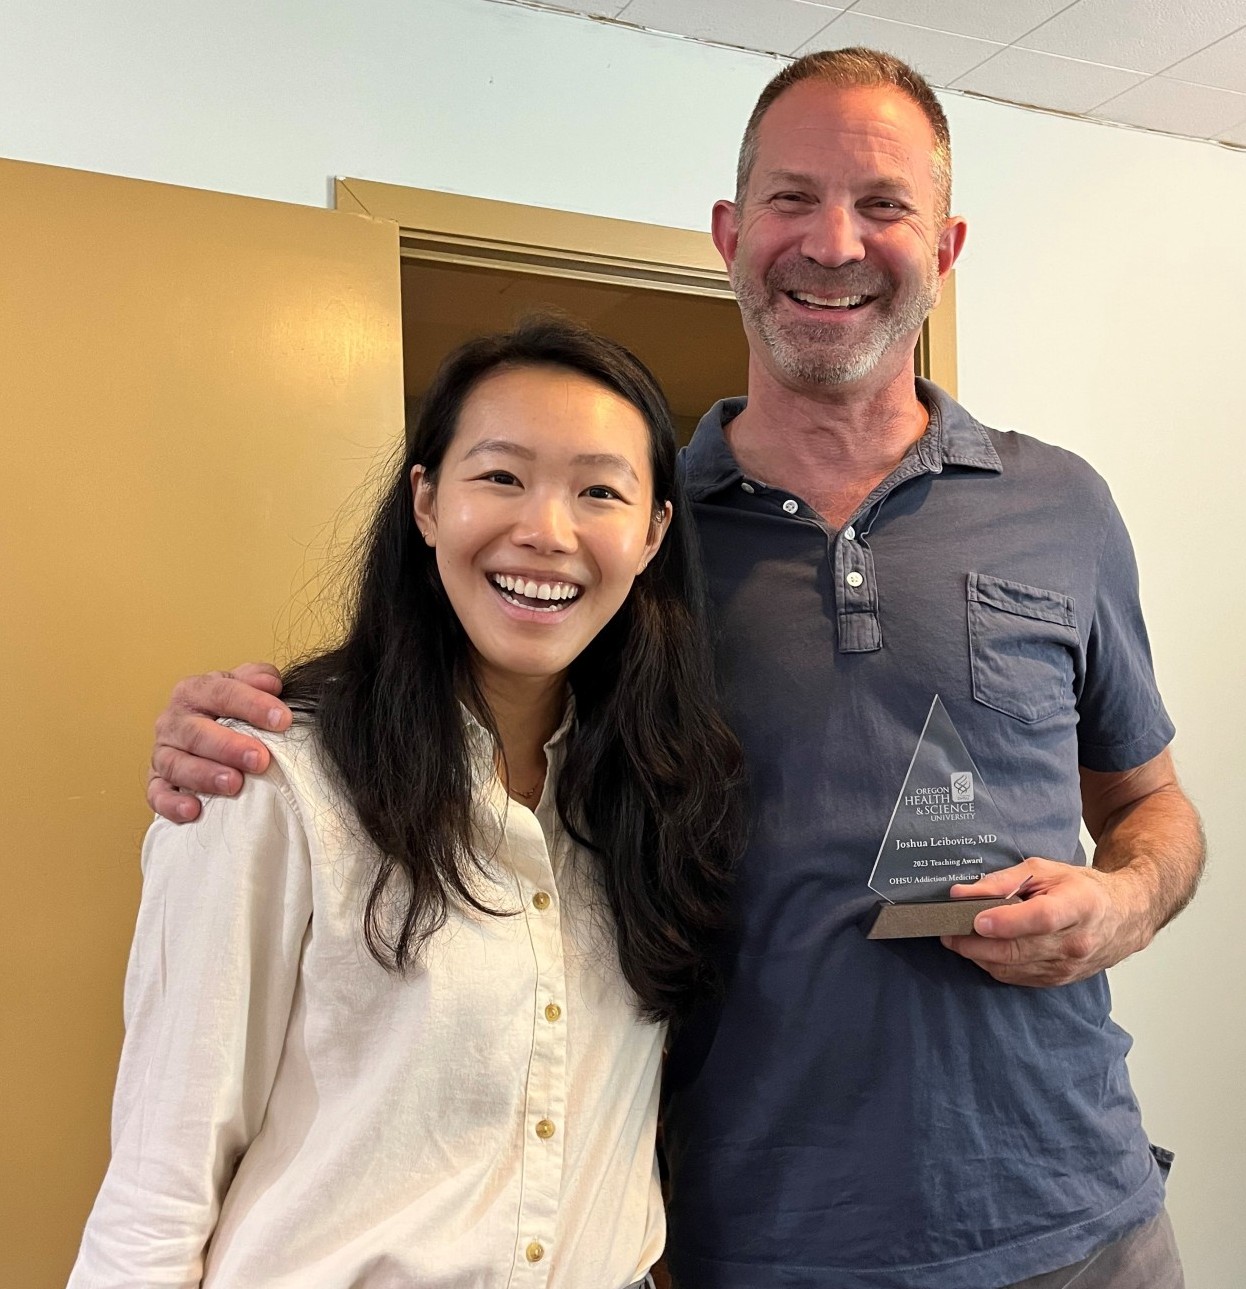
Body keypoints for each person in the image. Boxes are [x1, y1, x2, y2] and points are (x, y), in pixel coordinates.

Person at [145, 48, 1204, 1289]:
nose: (833, 242)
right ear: (728, 232)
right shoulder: (633, 542)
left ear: (945, 245)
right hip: (751, 1241)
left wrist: (1122, 903)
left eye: (881, 205)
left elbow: (1148, 802)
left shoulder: (1061, 504)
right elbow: (466, 699)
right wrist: (264, 728)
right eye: (791, 198)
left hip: (1079, 1222)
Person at [70, 316, 746, 1288]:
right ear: (426, 502)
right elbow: (157, 1187)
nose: (546, 530)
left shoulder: (658, 796)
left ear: (652, 535)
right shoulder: (273, 782)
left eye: (599, 490)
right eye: (501, 475)